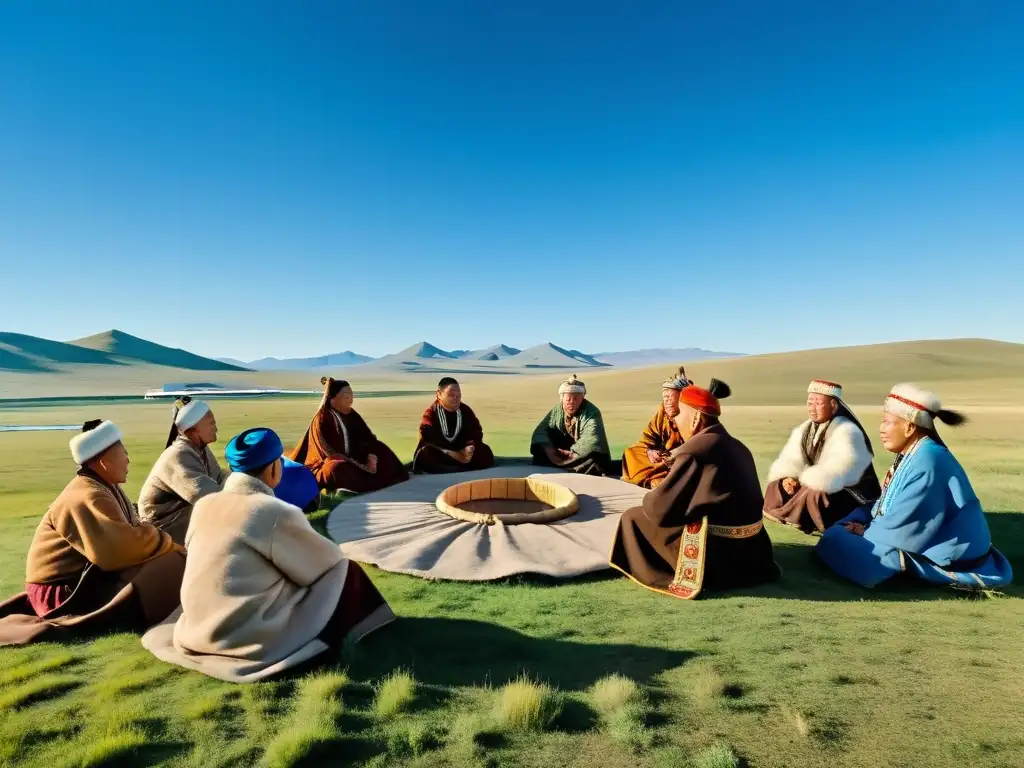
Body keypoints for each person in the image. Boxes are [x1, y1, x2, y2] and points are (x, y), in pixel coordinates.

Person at [142, 427, 396, 682]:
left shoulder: (204, 505)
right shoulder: (272, 511)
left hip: (198, 628)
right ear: (274, 468)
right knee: (344, 571)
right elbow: (325, 563)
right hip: (246, 636)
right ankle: (364, 633)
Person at [0, 420, 185, 645]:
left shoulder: (103, 488)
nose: (128, 459)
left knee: (166, 562)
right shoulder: (88, 495)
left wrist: (149, 535)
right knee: (170, 565)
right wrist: (164, 540)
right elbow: (119, 550)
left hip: (84, 581)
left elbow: (131, 534)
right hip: (63, 594)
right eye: (123, 453)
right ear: (104, 461)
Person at [816, 384, 1013, 590]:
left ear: (909, 427)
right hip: (916, 535)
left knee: (842, 543)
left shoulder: (929, 460)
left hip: (946, 553)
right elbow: (889, 506)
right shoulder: (915, 453)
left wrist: (864, 532)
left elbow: (906, 527)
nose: (881, 429)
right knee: (846, 526)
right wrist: (864, 523)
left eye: (887, 422)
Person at [610, 380, 780, 599]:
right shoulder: (737, 445)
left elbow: (659, 510)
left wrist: (652, 497)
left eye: (680, 413)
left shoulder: (695, 451)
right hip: (752, 551)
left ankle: (659, 571)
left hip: (717, 551)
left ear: (697, 418)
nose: (675, 418)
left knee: (632, 517)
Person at [763, 380, 881, 534]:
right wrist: (791, 477)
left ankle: (800, 518)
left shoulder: (847, 430)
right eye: (809, 403)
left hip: (849, 490)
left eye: (818, 403)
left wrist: (806, 480)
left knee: (816, 493)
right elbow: (794, 458)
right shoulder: (806, 428)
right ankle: (783, 511)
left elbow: (837, 472)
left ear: (833, 405)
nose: (812, 408)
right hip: (813, 479)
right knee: (777, 485)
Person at [291, 377, 409, 494]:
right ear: (332, 398)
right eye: (346, 397)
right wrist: (354, 462)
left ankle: (379, 480)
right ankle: (351, 486)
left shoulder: (352, 414)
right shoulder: (323, 418)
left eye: (352, 396)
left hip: (355, 457)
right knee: (337, 469)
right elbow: (329, 451)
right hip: (331, 461)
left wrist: (371, 456)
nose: (351, 400)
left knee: (382, 450)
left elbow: (368, 438)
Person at [138, 398, 229, 544]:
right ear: (192, 430)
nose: (216, 429)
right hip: (163, 525)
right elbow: (207, 497)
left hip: (181, 517)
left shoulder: (200, 449)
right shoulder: (179, 455)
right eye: (211, 423)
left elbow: (219, 477)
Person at [529, 375, 615, 476]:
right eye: (568, 398)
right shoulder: (557, 410)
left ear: (582, 399)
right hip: (560, 452)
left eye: (576, 399)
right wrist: (550, 449)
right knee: (541, 451)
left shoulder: (592, 412)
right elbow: (541, 431)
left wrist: (572, 453)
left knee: (593, 460)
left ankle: (567, 466)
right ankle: (561, 463)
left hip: (578, 455)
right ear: (562, 398)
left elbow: (592, 437)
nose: (572, 402)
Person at [621, 366, 690, 488]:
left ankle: (660, 479)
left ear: (681, 398)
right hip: (662, 458)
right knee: (631, 453)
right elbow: (647, 438)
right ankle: (655, 479)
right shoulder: (662, 413)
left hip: (680, 458)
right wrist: (649, 451)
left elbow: (697, 444)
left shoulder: (690, 414)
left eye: (671, 397)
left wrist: (673, 455)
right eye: (665, 397)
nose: (667, 401)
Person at [412, 377, 495, 474]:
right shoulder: (430, 414)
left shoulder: (465, 410)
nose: (456, 399)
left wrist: (469, 447)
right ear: (439, 394)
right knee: (426, 455)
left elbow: (475, 431)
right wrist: (453, 453)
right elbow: (427, 438)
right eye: (451, 395)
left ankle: (458, 466)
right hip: (443, 453)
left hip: (463, 452)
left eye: (458, 396)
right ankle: (456, 468)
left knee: (485, 452)